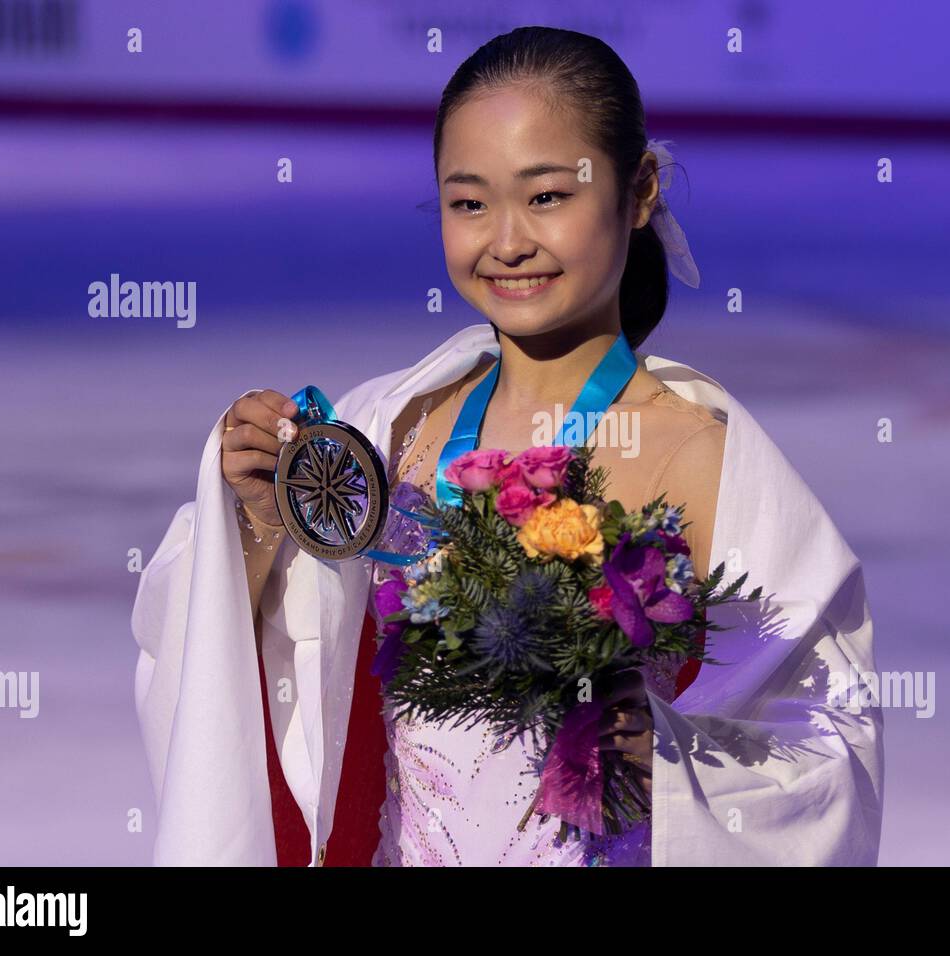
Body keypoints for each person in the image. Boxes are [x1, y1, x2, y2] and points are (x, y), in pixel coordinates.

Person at [132, 26, 882, 867]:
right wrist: (266, 527)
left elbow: (821, 739)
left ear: (638, 192)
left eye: (549, 196)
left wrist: (664, 753)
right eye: (469, 202)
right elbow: (260, 658)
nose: (507, 240)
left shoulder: (699, 458)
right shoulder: (396, 427)